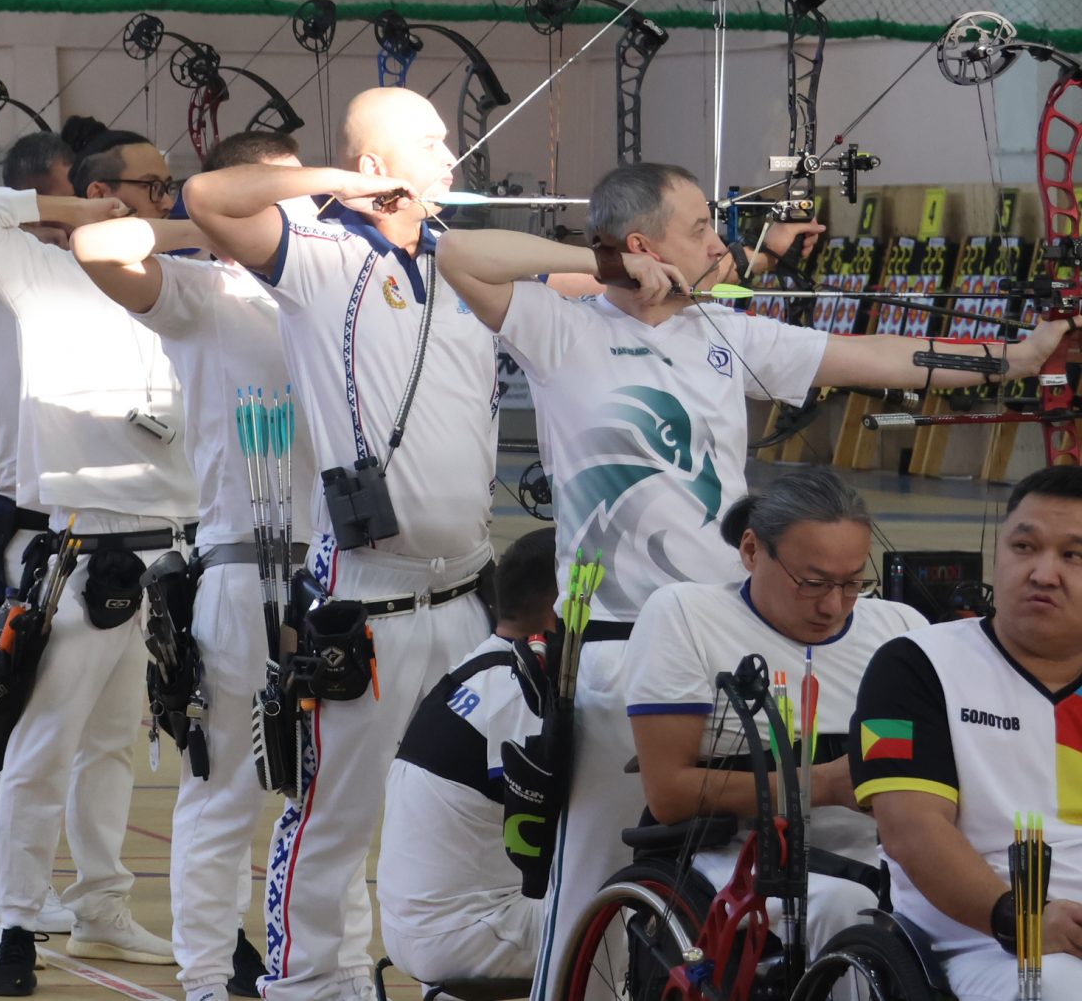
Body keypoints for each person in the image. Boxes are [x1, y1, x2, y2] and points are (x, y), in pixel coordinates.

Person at [436, 158, 1072, 985]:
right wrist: (604, 264)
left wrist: (1014, 357)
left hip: (733, 637)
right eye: (701, 226)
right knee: (587, 875)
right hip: (617, 645)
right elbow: (457, 252)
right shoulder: (564, 327)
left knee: (779, 867)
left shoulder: (726, 333)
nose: (719, 243)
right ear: (642, 244)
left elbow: (874, 357)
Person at [183, 88, 501, 1001]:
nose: (450, 154)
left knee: (463, 805)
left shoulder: (466, 262)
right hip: (368, 596)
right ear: (373, 165)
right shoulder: (321, 254)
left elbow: (576, 278)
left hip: (465, 594)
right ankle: (312, 982)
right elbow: (208, 198)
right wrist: (339, 186)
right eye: (429, 141)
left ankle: (452, 968)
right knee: (333, 810)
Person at [0, 128, 195, 995]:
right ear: (101, 193)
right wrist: (78, 214)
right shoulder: (44, 272)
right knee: (42, 744)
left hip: (168, 546)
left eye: (169, 185)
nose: (166, 199)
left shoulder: (176, 281)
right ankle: (12, 919)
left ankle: (102, 902)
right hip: (88, 545)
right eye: (150, 184)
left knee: (116, 743)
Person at [71, 128, 300, 1001]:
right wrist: (213, 224)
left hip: (339, 570)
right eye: (269, 194)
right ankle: (207, 973)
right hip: (243, 563)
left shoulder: (327, 287)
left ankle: (311, 970)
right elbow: (98, 243)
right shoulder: (206, 290)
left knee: (320, 795)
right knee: (224, 786)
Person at [621, 471, 925, 956]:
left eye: (853, 583)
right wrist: (824, 785)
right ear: (751, 550)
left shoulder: (900, 628)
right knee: (847, 905)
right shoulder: (686, 615)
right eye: (813, 583)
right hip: (736, 856)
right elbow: (668, 793)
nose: (834, 606)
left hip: (885, 853)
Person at [853, 464, 1082, 1001]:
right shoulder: (910, 665)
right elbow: (910, 829)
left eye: (1073, 556)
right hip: (980, 943)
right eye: (1024, 547)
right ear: (998, 552)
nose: (1043, 573)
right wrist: (1019, 919)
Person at [379, 527, 561, 986]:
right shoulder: (519, 693)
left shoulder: (477, 667)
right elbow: (548, 831)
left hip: (418, 927)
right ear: (557, 607)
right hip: (466, 931)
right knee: (635, 917)